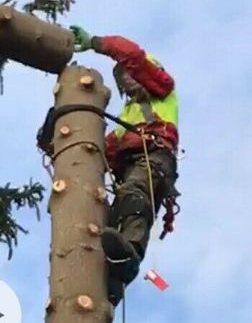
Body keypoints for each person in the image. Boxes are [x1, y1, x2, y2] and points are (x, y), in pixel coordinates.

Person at [70, 25, 179, 306]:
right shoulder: (127, 115)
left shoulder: (161, 91)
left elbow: (131, 54)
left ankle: (129, 255)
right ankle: (111, 283)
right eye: (122, 79)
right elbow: (102, 149)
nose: (127, 81)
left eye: (129, 74)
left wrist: (97, 43)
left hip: (152, 157)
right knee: (111, 217)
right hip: (129, 168)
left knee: (135, 195)